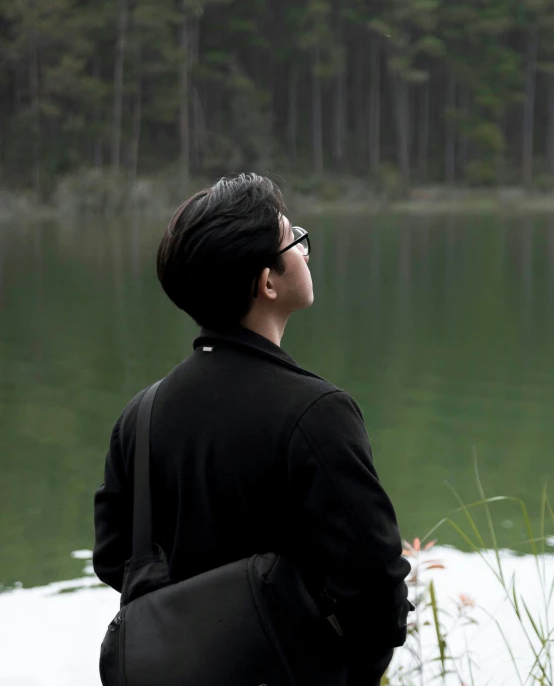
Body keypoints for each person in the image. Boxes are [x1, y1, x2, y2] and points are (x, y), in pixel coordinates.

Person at [93, 173, 413, 685]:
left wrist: (193, 618)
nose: (305, 253)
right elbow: (375, 584)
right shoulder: (316, 411)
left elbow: (115, 559)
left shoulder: (141, 415)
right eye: (294, 241)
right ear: (267, 282)